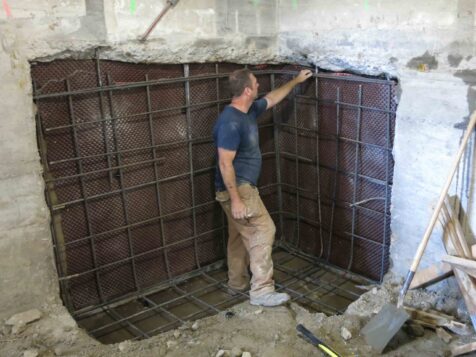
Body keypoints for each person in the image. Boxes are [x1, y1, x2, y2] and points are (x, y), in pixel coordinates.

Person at [213, 68, 313, 307]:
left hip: (237, 189)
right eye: (256, 84)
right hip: (238, 189)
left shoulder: (247, 111)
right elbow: (225, 163)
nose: (259, 87)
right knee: (264, 229)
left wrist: (296, 81)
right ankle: (262, 290)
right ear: (247, 90)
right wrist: (236, 199)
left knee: (238, 236)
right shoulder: (230, 122)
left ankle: (236, 283)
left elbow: (273, 98)